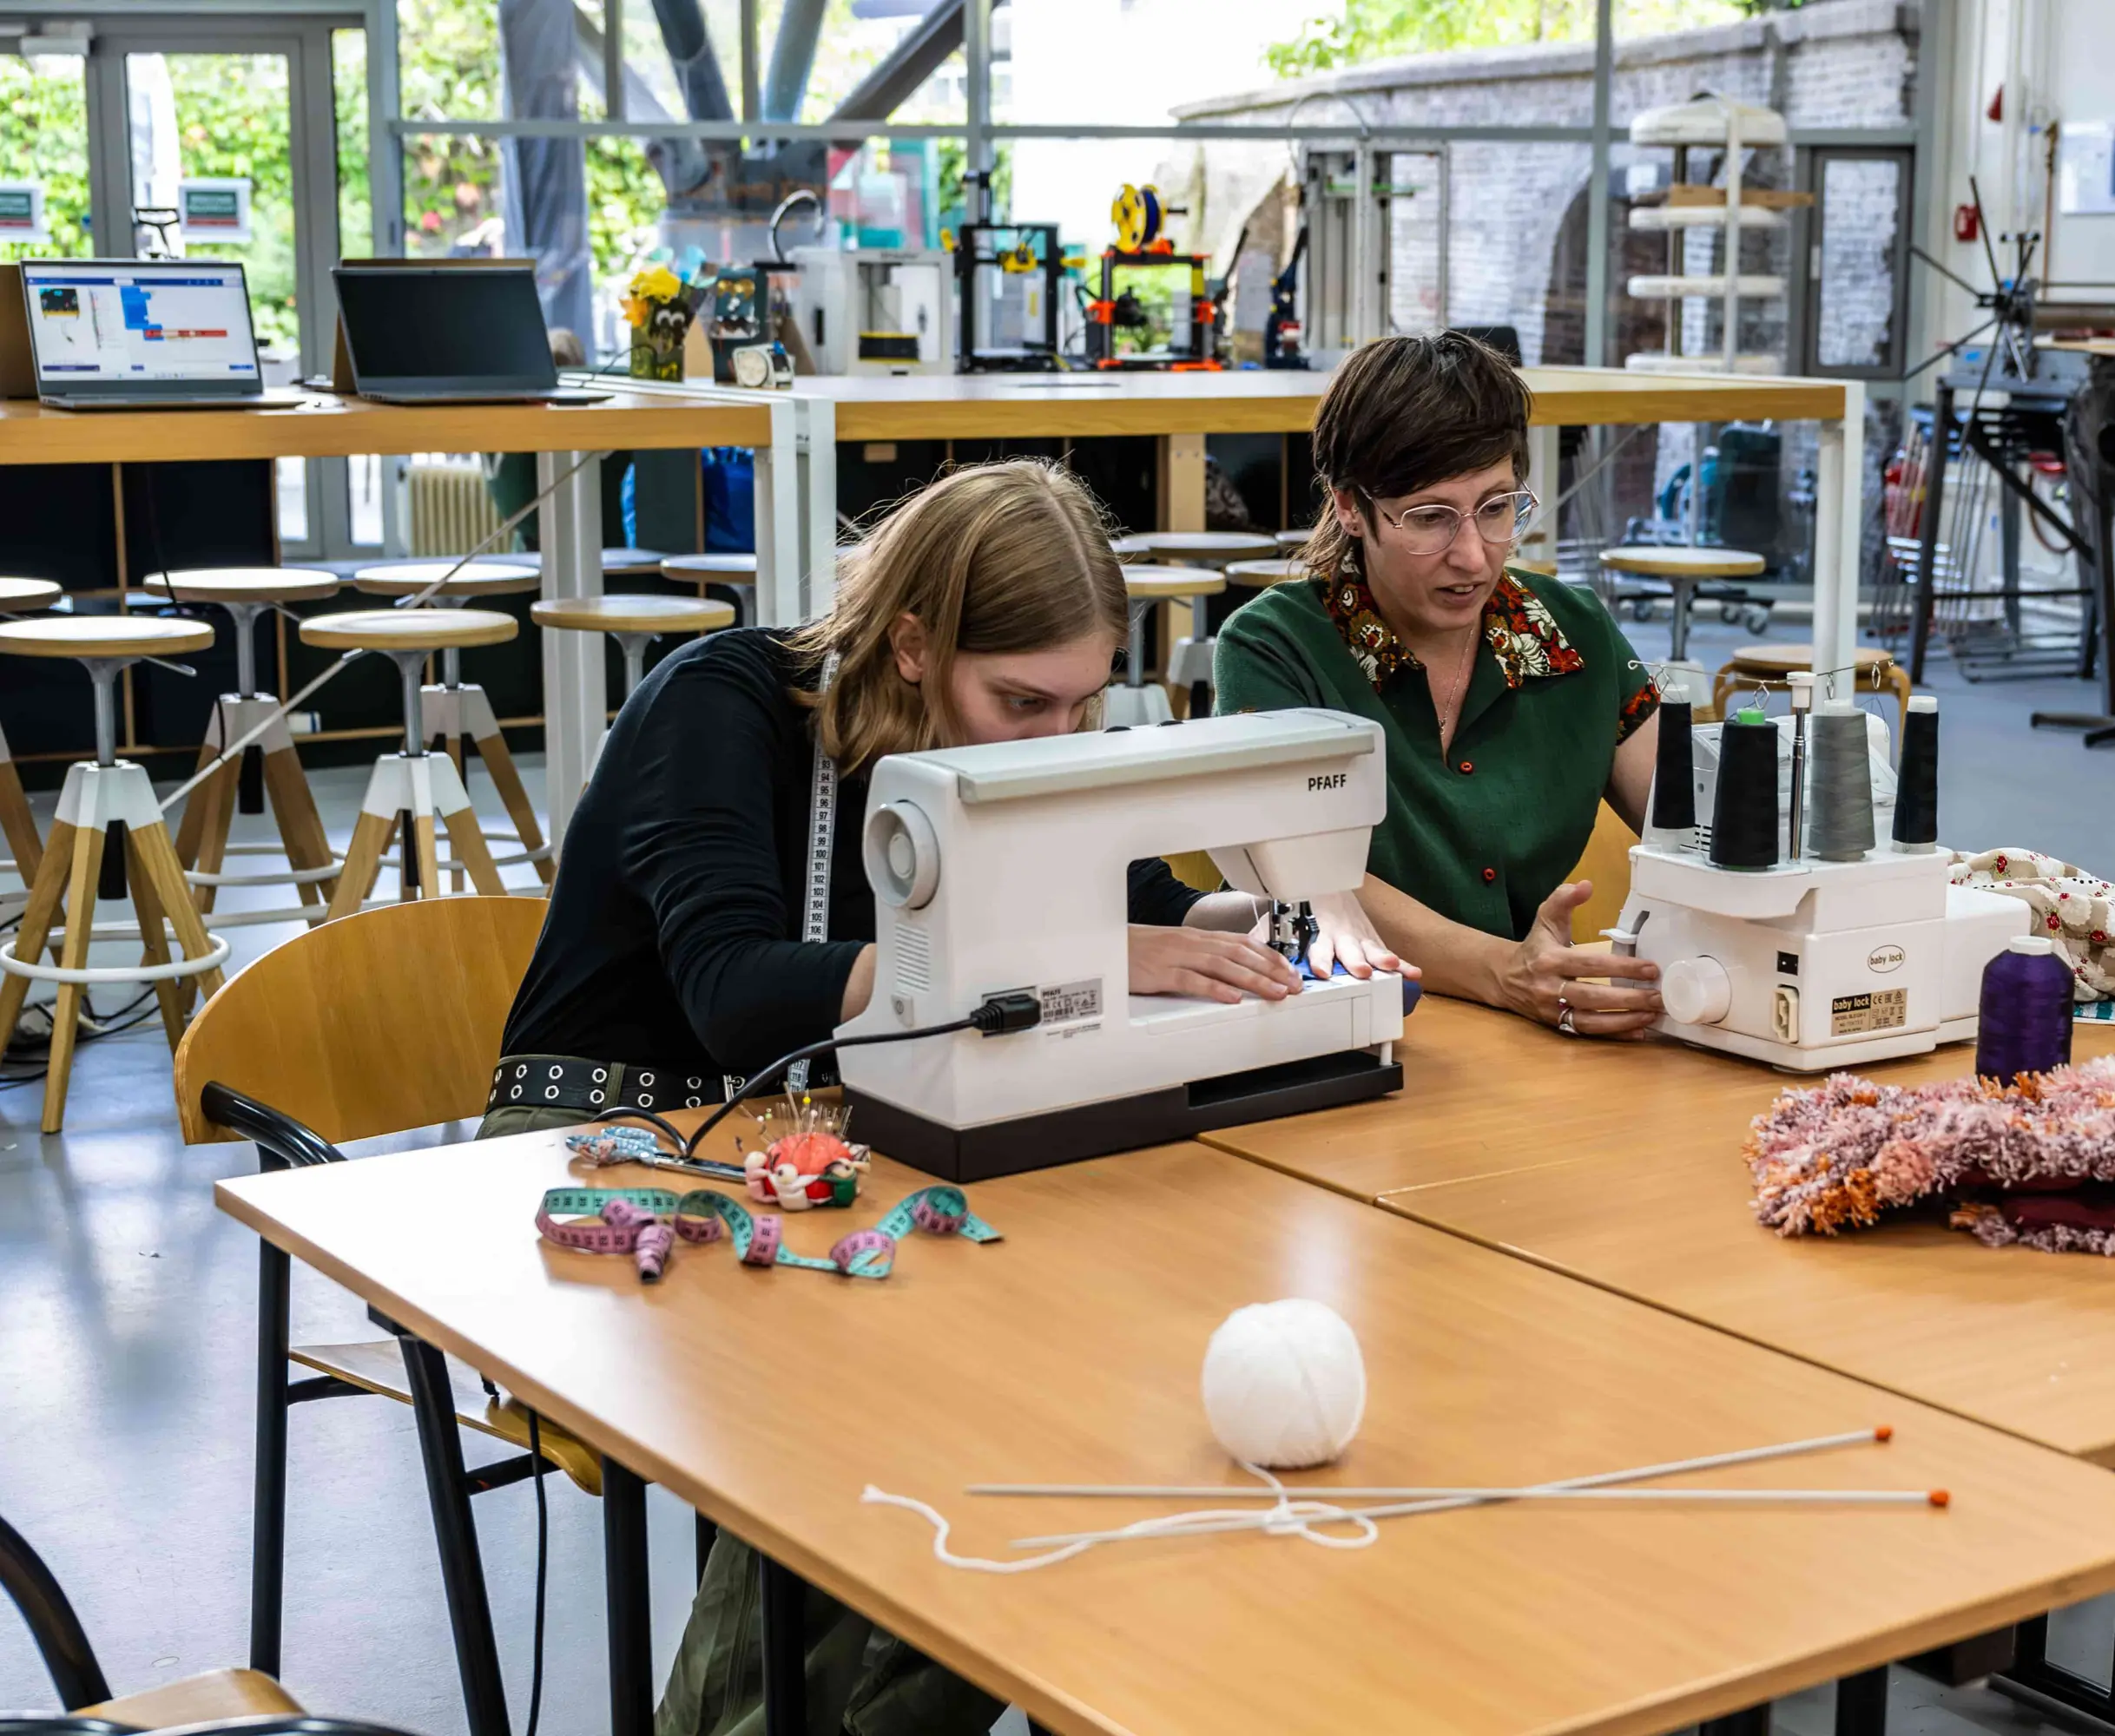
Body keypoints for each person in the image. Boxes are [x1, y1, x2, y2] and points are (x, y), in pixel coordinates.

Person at [489, 459, 1314, 1736]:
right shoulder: (722, 702)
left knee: (1066, 1404)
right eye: (1021, 702)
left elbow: (1138, 900)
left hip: (834, 1132)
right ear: (915, 645)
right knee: (863, 1395)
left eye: (1084, 707)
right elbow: (733, 992)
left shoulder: (1019, 747)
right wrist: (1072, 958)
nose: (1054, 742)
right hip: (615, 1136)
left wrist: (1277, 916)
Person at [1216, 331, 1666, 1039]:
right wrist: (1505, 970)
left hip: (1525, 1027)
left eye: (1496, 507)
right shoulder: (1276, 649)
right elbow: (1305, 876)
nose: (1473, 556)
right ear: (1348, 506)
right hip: (1346, 1021)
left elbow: (1689, 828)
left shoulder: (1572, 631)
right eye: (1429, 518)